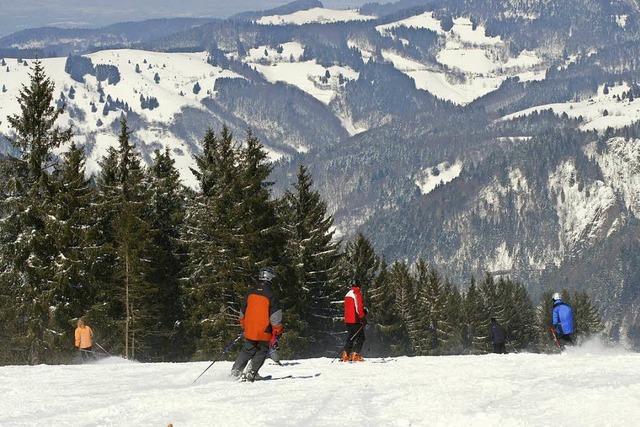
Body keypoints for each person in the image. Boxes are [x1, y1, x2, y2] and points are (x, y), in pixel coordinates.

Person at [231, 267, 283, 381]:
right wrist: (278, 330)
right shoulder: (271, 294)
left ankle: (236, 371)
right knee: (262, 351)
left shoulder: (250, 291)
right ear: (270, 278)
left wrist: (244, 325)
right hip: (264, 330)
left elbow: (242, 311)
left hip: (250, 328)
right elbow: (275, 316)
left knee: (247, 349)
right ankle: (251, 372)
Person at [340, 280, 367, 362]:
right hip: (355, 320)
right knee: (361, 338)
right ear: (359, 286)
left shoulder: (348, 294)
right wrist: (363, 318)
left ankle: (346, 354)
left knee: (351, 337)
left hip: (348, 320)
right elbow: (358, 307)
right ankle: (355, 354)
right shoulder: (356, 293)